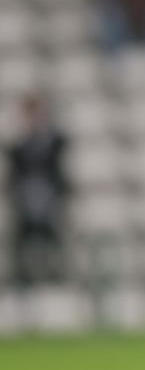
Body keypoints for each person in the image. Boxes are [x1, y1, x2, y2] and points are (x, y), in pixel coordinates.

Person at [6, 94, 71, 292]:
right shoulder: (18, 145)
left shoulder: (55, 141)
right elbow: (14, 176)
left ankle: (56, 275)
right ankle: (23, 277)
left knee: (53, 236)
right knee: (23, 240)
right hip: (26, 202)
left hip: (50, 200)